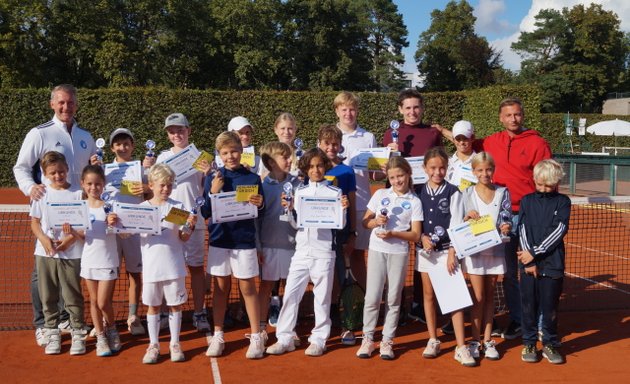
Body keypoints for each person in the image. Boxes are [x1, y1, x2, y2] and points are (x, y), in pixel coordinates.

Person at [13, 84, 96, 345]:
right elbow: (21, 167)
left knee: (71, 270)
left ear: (76, 104)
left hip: (77, 213)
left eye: (70, 102)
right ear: (52, 104)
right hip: (48, 213)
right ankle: (42, 324)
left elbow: (89, 173)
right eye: (61, 102)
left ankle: (65, 318)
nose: (66, 107)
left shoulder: (85, 136)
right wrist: (31, 188)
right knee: (43, 272)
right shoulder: (39, 134)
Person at [265, 148, 349, 357]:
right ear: (305, 169)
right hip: (302, 251)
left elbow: (340, 225)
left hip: (324, 253)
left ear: (325, 167)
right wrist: (290, 209)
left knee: (321, 298)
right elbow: (295, 224)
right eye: (311, 166)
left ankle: (319, 339)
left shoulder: (335, 193)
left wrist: (344, 209)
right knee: (291, 294)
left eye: (319, 165)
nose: (315, 170)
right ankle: (284, 338)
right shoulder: (299, 192)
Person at [382, 89, 448, 323]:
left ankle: (422, 302)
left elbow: (439, 162)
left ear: (422, 108)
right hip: (400, 200)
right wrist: (387, 157)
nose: (412, 112)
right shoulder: (391, 133)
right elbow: (384, 169)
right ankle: (395, 305)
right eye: (407, 108)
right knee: (395, 252)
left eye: (416, 107)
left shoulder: (432, 132)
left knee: (426, 249)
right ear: (400, 110)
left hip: (426, 199)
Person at [145, 113, 211, 332]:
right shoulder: (161, 158)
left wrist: (208, 173)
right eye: (172, 131)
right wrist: (147, 168)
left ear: (188, 131)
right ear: (167, 134)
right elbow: (151, 186)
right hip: (167, 221)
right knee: (166, 268)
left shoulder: (201, 157)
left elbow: (208, 188)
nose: (176, 134)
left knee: (195, 268)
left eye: (180, 130)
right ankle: (164, 312)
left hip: (192, 219)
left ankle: (200, 312)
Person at [202, 131, 265, 359]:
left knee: (248, 288)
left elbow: (260, 210)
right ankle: (218, 335)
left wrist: (259, 203)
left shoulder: (252, 178)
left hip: (244, 242)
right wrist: (212, 192)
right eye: (225, 152)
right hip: (219, 241)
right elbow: (205, 212)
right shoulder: (213, 178)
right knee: (220, 289)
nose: (230, 156)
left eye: (234, 151)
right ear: (219, 155)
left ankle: (256, 336)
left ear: (241, 151)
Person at [356, 157, 422, 360]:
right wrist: (375, 221)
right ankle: (368, 339)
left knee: (393, 299)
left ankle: (387, 341)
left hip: (399, 253)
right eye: (392, 177)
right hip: (377, 249)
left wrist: (394, 234)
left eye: (400, 175)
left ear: (408, 174)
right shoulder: (381, 194)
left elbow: (416, 235)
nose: (396, 180)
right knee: (373, 297)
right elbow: (365, 221)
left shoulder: (415, 201)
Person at [414, 148, 475, 367]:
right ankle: (433, 339)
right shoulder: (417, 191)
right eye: (432, 168)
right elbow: (414, 221)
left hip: (447, 253)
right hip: (425, 253)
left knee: (454, 299)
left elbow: (457, 223)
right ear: (424, 168)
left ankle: (461, 346)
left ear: (447, 168)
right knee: (428, 296)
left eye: (441, 168)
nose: (437, 172)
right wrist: (421, 237)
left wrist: (452, 253)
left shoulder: (453, 191)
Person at [29, 151, 86, 355]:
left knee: (72, 295)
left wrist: (68, 240)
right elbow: (35, 223)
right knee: (48, 295)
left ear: (67, 170)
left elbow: (83, 225)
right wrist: (45, 240)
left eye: (61, 171)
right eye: (52, 173)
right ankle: (52, 333)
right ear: (45, 173)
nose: (58, 176)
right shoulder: (41, 194)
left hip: (71, 253)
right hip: (45, 253)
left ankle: (78, 332)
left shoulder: (78, 193)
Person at [140, 163, 196, 364]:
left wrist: (190, 226)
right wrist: (114, 223)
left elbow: (183, 237)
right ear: (151, 185)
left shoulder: (178, 207)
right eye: (162, 185)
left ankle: (174, 343)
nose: (166, 189)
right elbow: (127, 232)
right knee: (153, 307)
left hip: (174, 267)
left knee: (175, 306)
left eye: (169, 185)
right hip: (151, 268)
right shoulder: (140, 209)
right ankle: (153, 345)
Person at [518, 159, 570, 365]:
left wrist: (534, 253)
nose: (544, 189)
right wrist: (527, 259)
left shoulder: (563, 202)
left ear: (556, 182)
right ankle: (529, 342)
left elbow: (559, 230)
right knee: (528, 306)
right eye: (540, 184)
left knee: (550, 307)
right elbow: (522, 228)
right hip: (528, 263)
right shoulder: (526, 200)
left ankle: (549, 342)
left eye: (548, 185)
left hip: (552, 263)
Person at [461, 152, 510, 361]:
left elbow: (507, 216)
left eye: (488, 169)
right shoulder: (467, 193)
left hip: (496, 250)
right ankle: (474, 340)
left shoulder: (503, 192)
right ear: (473, 172)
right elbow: (461, 222)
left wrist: (507, 225)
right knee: (478, 298)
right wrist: (466, 218)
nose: (485, 173)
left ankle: (488, 340)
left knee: (490, 297)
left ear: (493, 170)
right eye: (480, 170)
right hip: (474, 252)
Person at [69, 165, 121, 356]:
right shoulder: (80, 208)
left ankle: (113, 329)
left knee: (103, 302)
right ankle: (100, 337)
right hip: (89, 260)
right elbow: (84, 237)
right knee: (93, 301)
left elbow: (121, 234)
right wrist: (72, 231)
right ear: (82, 184)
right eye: (89, 184)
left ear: (103, 185)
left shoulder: (111, 207)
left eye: (98, 184)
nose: (93, 187)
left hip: (108, 260)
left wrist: (114, 223)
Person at [317, 124, 358, 345]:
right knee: (323, 278)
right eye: (327, 144)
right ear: (320, 144)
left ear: (340, 145)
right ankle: (325, 320)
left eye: (335, 144)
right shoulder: (313, 167)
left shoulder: (346, 171)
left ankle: (346, 324)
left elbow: (351, 202)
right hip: (319, 235)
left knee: (342, 278)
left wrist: (352, 232)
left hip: (341, 234)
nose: (331, 148)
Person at [106, 128, 148, 336]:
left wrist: (146, 187)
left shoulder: (141, 168)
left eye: (126, 144)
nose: (122, 147)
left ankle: (133, 316)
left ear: (132, 146)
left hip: (134, 229)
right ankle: (107, 317)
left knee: (134, 273)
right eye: (118, 144)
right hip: (111, 229)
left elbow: (154, 190)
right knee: (109, 275)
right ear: (112, 147)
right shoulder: (104, 169)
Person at [257, 142, 301, 339]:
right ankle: (260, 327)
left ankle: (288, 328)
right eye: (284, 157)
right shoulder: (262, 187)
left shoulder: (298, 184)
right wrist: (258, 246)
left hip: (293, 246)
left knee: (290, 287)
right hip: (269, 246)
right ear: (271, 163)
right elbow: (256, 219)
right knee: (266, 286)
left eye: (289, 156)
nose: (290, 160)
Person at [334, 91, 377, 292]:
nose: (348, 113)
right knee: (336, 254)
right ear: (337, 111)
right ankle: (339, 298)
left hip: (361, 205)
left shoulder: (368, 137)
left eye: (352, 109)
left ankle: (365, 299)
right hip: (334, 205)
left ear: (357, 111)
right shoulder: (328, 136)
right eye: (344, 109)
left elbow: (375, 175)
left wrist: (381, 169)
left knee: (358, 253)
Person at [446, 120, 477, 191]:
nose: (461, 142)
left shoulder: (481, 162)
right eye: (458, 139)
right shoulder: (447, 162)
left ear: (472, 138)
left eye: (465, 138)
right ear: (453, 140)